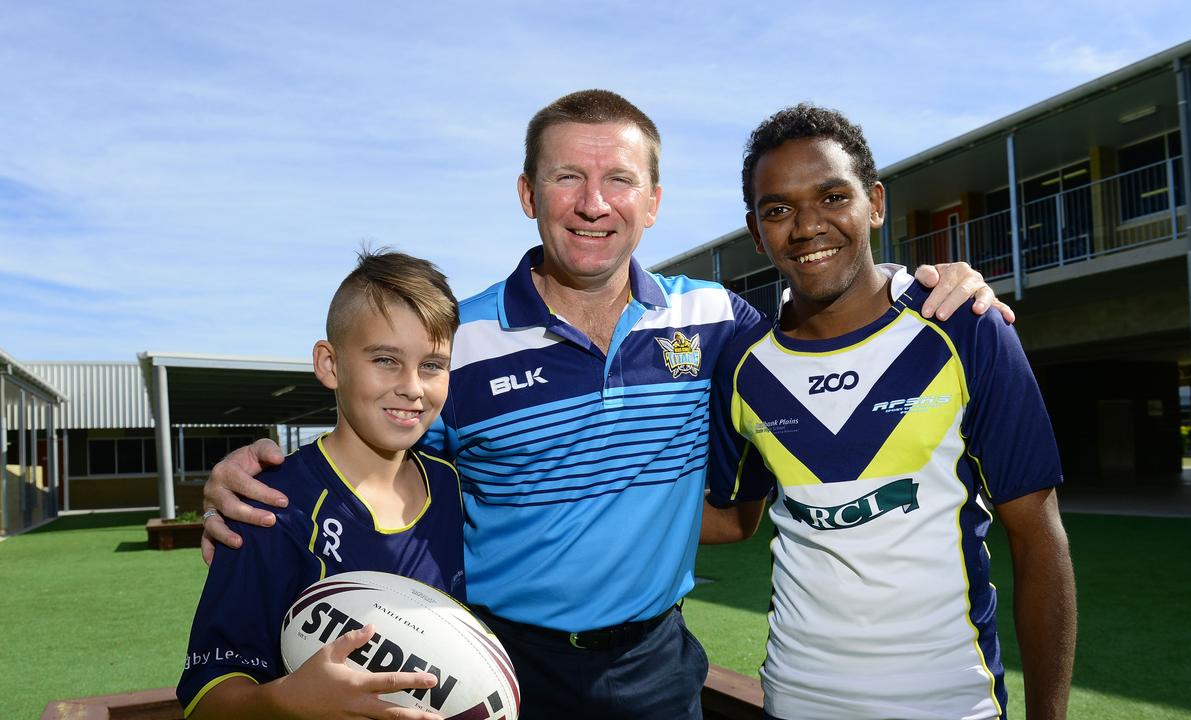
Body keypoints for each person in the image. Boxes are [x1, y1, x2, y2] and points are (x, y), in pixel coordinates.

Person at [200, 90, 1012, 720]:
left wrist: (929, 283)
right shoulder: (461, 339)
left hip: (652, 666)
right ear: (528, 193)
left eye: (619, 179)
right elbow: (378, 436)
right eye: (568, 177)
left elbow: (826, 320)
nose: (595, 202)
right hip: (497, 660)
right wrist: (259, 471)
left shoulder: (718, 322)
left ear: (653, 202)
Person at [701, 104, 1077, 720]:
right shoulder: (744, 365)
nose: (806, 226)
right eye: (778, 209)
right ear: (755, 230)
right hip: (794, 702)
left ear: (874, 203)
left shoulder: (965, 328)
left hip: (953, 706)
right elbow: (733, 520)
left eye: (831, 196)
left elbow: (1039, 539)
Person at [178, 250, 464, 720]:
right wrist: (286, 702)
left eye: (433, 365)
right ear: (329, 364)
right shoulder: (269, 506)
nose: (413, 386)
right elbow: (205, 697)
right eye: (386, 359)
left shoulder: (449, 485)